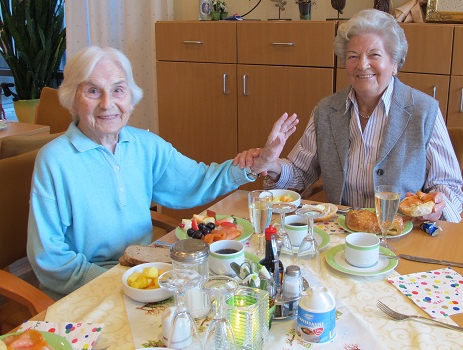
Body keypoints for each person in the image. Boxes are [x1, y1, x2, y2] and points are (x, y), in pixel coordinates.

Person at [27, 46, 298, 300]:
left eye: (118, 90)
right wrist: (120, 281)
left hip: (145, 277)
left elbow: (197, 181)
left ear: (131, 98)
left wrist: (259, 162)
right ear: (72, 99)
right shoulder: (55, 160)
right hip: (87, 291)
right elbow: (50, 259)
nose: (108, 103)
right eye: (93, 91)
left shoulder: (145, 146)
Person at [236, 9, 463, 222]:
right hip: (343, 233)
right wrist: (272, 164)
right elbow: (300, 174)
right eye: (353, 56)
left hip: (401, 233)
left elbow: (449, 186)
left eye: (374, 54)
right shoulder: (326, 111)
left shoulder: (424, 110)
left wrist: (436, 206)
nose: (363, 65)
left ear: (394, 64)